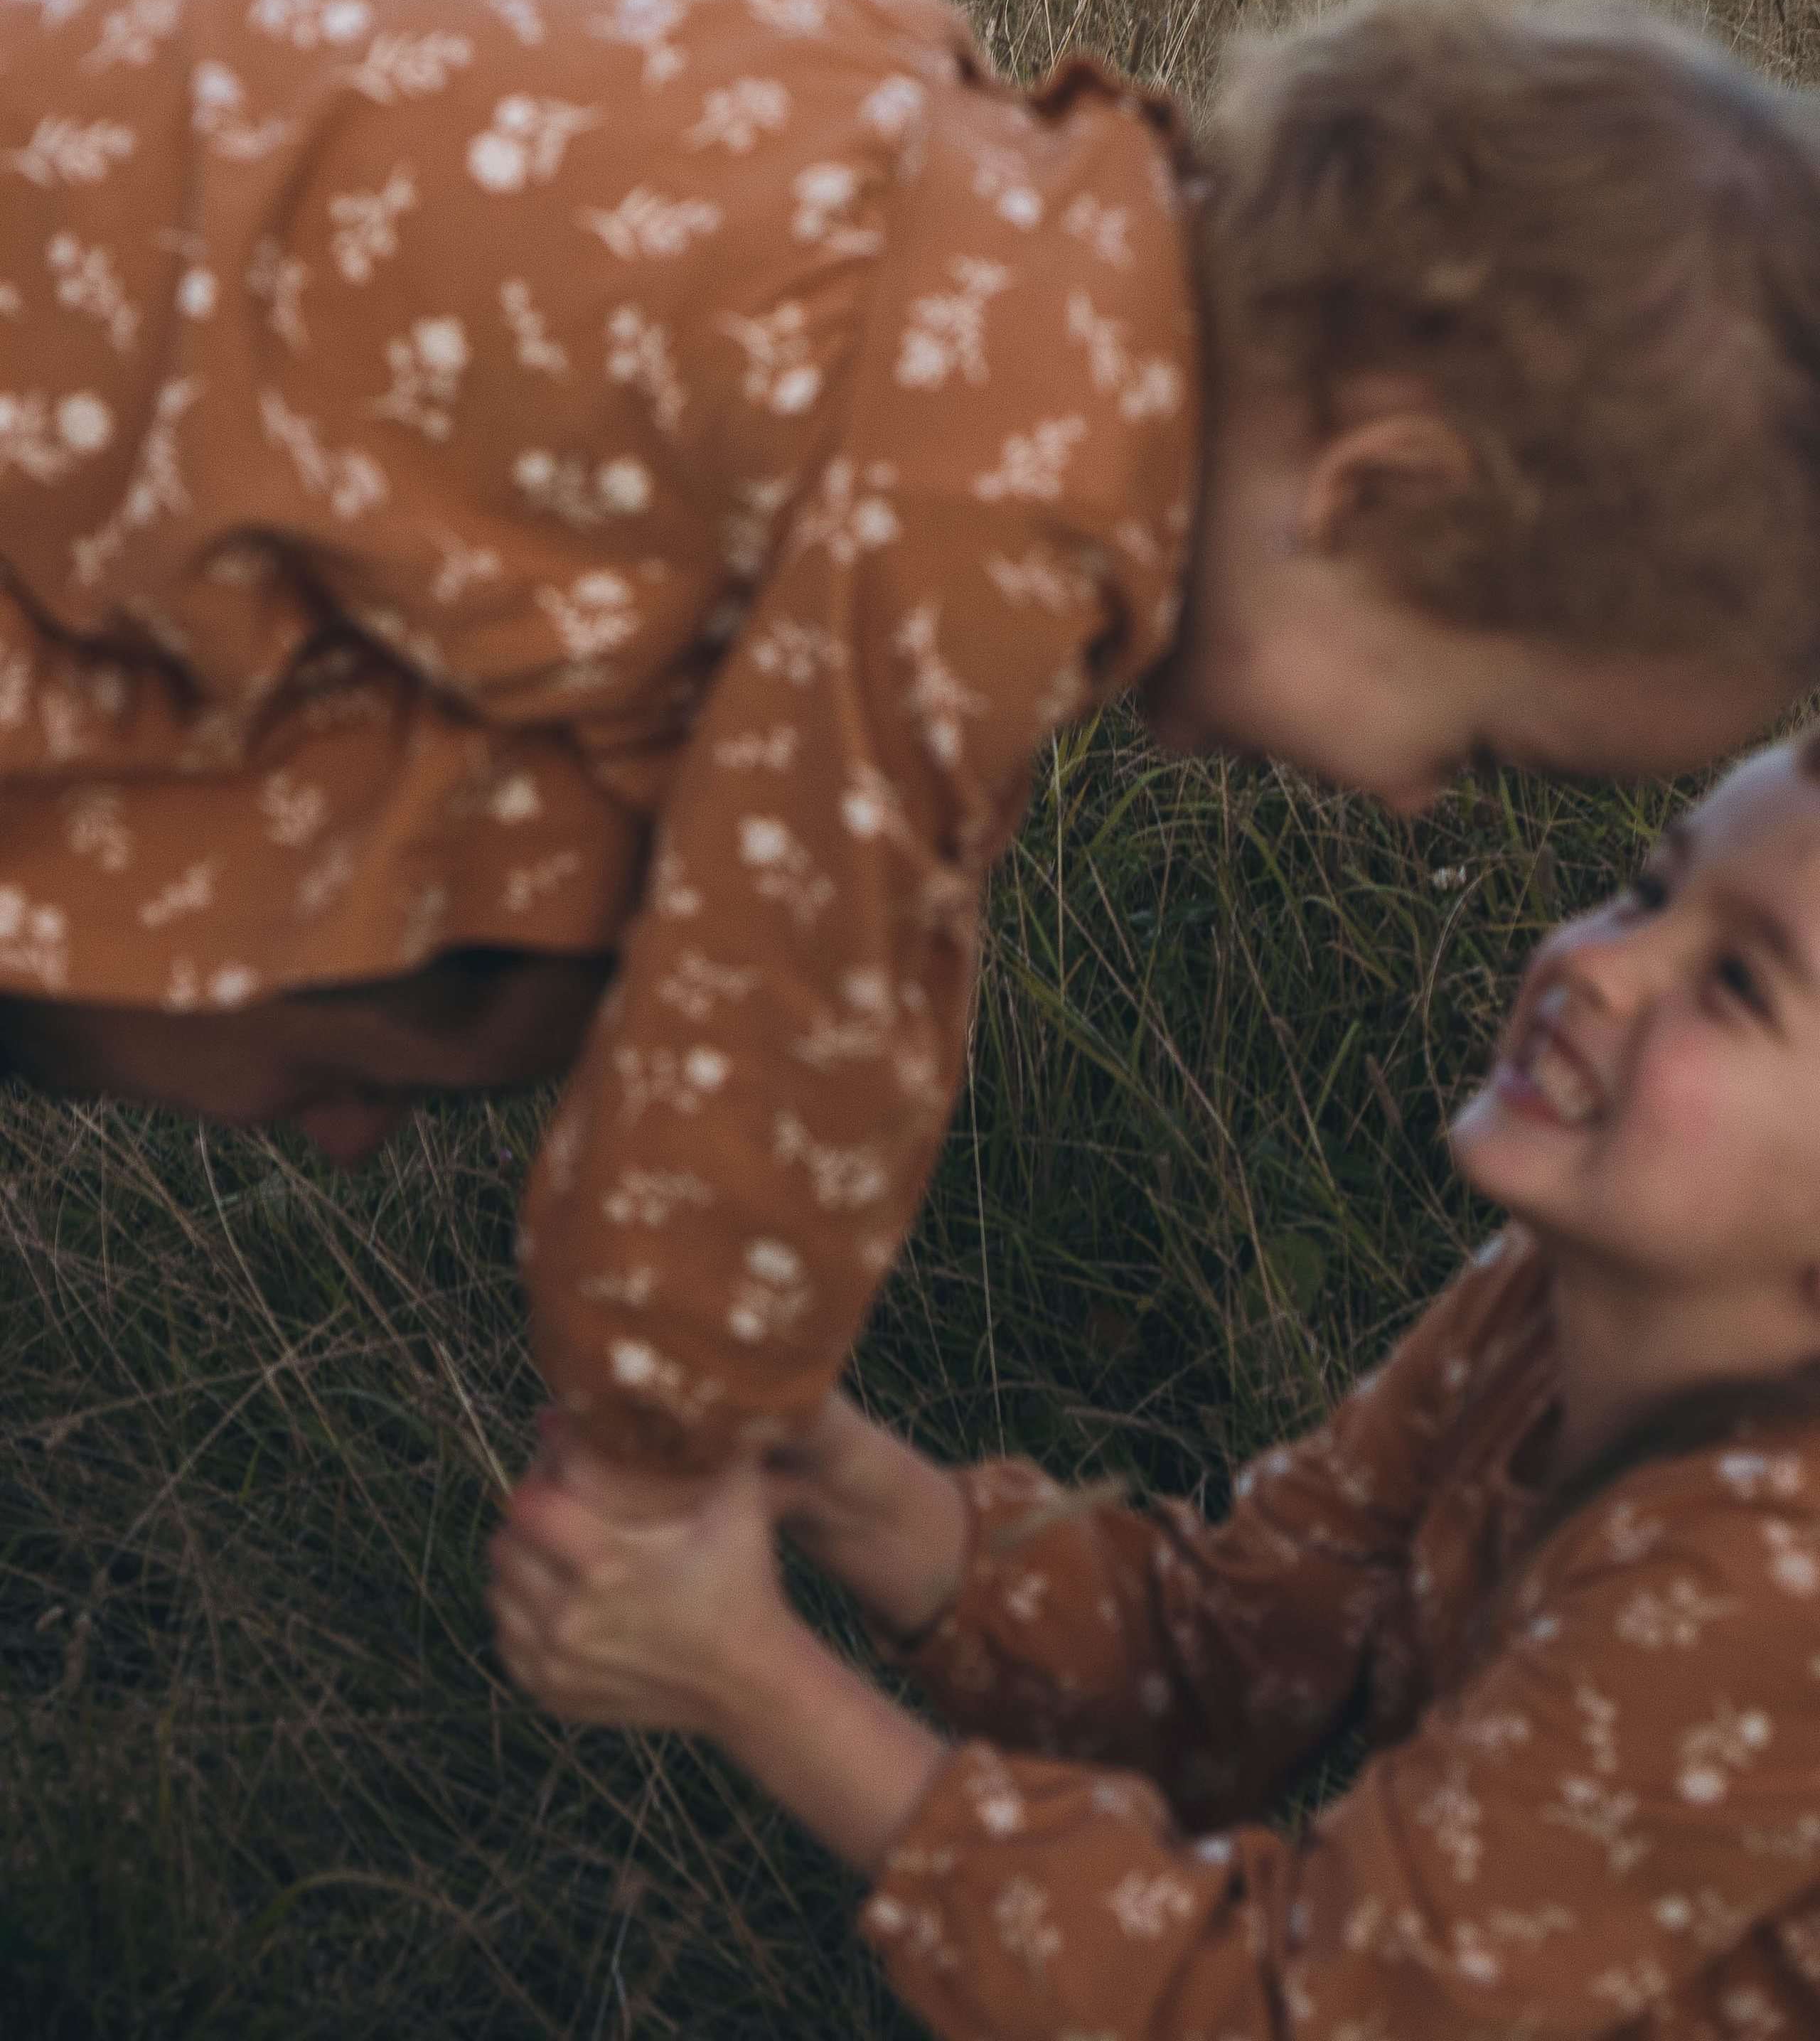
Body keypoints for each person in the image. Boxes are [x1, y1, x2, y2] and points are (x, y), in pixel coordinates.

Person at [1, 0, 1814, 1475]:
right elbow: (795, 981)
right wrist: (670, 1437)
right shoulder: (1009, 467)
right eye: (1477, 747)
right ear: (1370, 498)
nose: (1414, 801)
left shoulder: (998, 216)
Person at [491, 729, 1820, 2041]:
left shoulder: (1771, 1588)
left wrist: (751, 1682)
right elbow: (1226, 1658)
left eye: (1740, 983)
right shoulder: (1539, 1301)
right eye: (1650, 888)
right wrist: (835, 1475)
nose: (1596, 961)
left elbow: (1285, 2014)